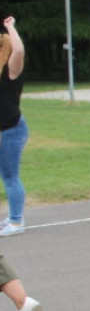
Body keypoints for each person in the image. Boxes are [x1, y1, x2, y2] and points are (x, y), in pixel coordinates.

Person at [0, 16, 31, 236]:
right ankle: (12, 216)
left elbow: (19, 50)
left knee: (10, 176)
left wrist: (10, 27)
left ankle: (17, 221)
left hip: (11, 130)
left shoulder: (11, 69)